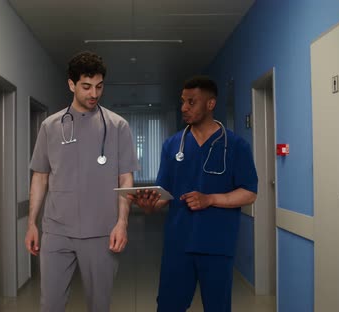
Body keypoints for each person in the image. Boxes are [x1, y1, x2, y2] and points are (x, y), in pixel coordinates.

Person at [129, 76, 258, 312]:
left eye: (191, 102)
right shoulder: (172, 145)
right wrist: (149, 206)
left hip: (217, 245)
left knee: (217, 307)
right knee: (168, 306)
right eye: (182, 102)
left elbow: (249, 193)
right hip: (179, 243)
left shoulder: (236, 146)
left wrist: (211, 199)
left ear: (210, 104)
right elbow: (164, 194)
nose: (183, 108)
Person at [25, 51, 139, 312]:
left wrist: (122, 223)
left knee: (99, 305)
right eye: (86, 87)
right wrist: (32, 223)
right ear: (71, 84)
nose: (94, 94)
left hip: (102, 231)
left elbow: (126, 177)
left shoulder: (117, 126)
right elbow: (40, 176)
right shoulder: (50, 126)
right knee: (50, 305)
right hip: (56, 231)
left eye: (99, 87)